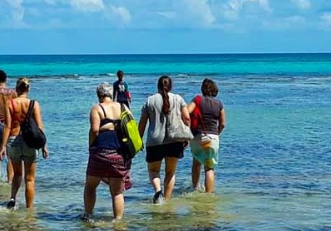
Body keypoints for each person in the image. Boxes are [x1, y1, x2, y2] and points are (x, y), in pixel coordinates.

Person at [82, 82, 131, 221]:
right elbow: (131, 126)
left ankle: (88, 215)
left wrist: (91, 145)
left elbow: (95, 130)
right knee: (117, 192)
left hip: (101, 152)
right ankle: (118, 221)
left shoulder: (97, 108)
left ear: (99, 95)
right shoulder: (123, 107)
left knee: (91, 186)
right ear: (111, 94)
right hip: (119, 152)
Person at [138, 75, 190, 204]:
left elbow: (142, 124)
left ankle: (157, 190)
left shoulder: (149, 101)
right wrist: (187, 136)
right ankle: (166, 200)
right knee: (170, 172)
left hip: (154, 142)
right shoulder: (178, 99)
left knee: (153, 171)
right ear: (171, 86)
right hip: (175, 140)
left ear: (158, 86)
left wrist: (138, 140)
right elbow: (187, 118)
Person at [3, 78, 48, 210]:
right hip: (30, 143)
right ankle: (29, 209)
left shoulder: (9, 103)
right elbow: (40, 126)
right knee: (29, 179)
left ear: (17, 89)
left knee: (17, 174)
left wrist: (2, 147)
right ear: (28, 89)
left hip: (13, 140)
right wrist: (44, 146)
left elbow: (7, 126)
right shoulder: (34, 104)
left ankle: (13, 198)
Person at [186, 78, 227, 193]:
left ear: (203, 89)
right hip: (213, 138)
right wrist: (216, 133)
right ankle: (208, 194)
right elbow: (223, 123)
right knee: (209, 167)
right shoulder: (219, 104)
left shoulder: (197, 99)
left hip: (198, 136)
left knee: (196, 162)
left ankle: (195, 188)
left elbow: (187, 112)